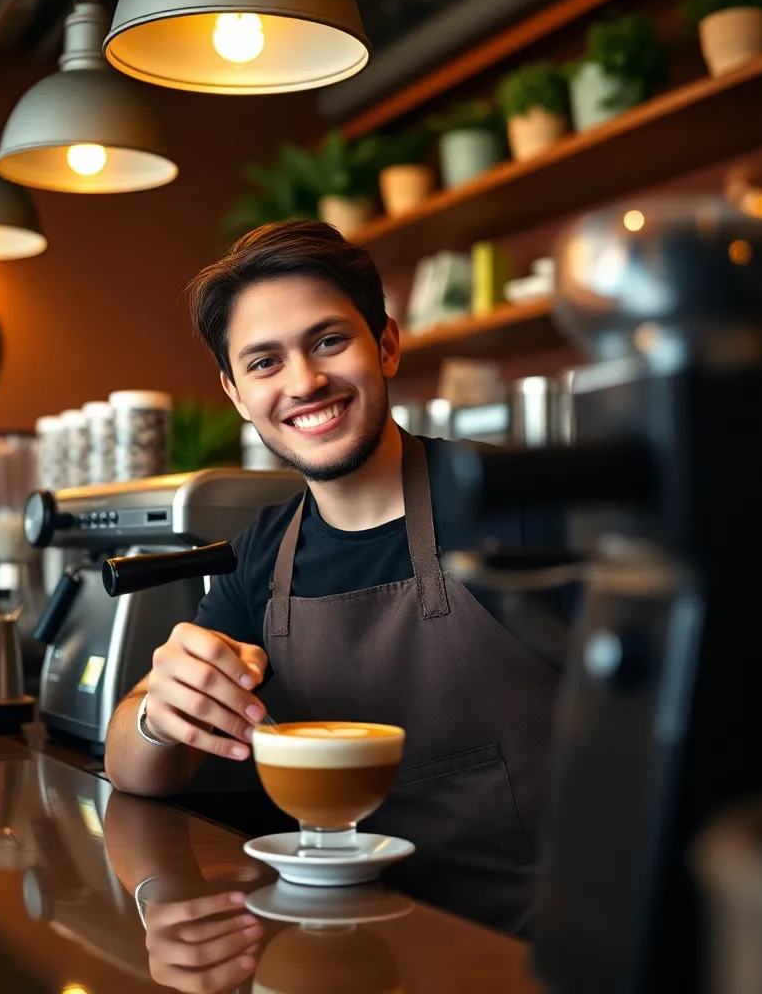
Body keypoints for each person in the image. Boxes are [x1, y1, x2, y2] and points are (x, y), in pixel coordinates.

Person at [104, 219, 562, 935]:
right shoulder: (264, 555)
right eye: (264, 363)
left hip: (535, 952)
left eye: (327, 341)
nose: (304, 382)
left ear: (386, 345)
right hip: (346, 944)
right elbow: (129, 764)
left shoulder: (515, 502)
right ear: (235, 393)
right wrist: (157, 716)